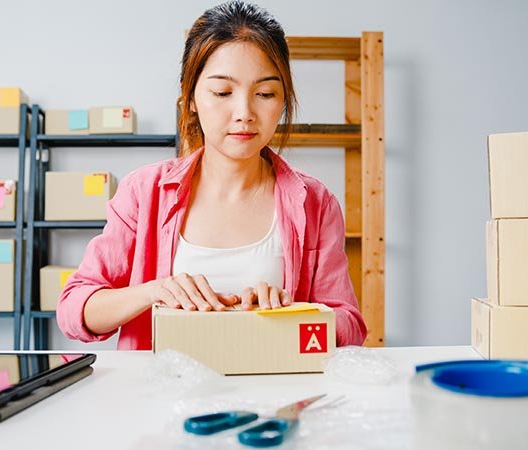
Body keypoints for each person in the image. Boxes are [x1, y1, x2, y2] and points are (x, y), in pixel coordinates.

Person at [57, 0, 367, 350]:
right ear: (190, 98)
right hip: (159, 399)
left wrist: (295, 312)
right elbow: (74, 310)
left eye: (265, 93)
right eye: (222, 92)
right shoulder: (144, 192)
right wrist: (153, 291)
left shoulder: (314, 201)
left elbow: (351, 325)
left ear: (283, 100)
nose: (244, 113)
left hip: (273, 398)